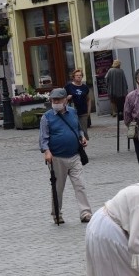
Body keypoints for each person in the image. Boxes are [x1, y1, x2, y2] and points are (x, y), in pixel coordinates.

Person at [39, 88, 92, 224]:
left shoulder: (73, 112)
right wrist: (47, 151)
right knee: (58, 188)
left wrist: (82, 138)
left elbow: (78, 129)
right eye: (53, 100)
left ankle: (85, 213)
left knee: (80, 185)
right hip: (57, 157)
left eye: (58, 100)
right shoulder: (47, 117)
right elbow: (43, 138)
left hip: (74, 155)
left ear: (65, 100)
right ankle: (57, 213)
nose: (55, 102)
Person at [64, 68, 94, 140]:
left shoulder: (85, 87)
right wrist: (67, 98)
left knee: (84, 132)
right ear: (73, 77)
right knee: (74, 131)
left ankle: (83, 147)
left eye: (80, 75)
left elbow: (88, 99)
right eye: (77, 75)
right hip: (71, 112)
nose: (79, 76)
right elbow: (61, 99)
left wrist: (88, 112)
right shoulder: (68, 86)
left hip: (83, 112)